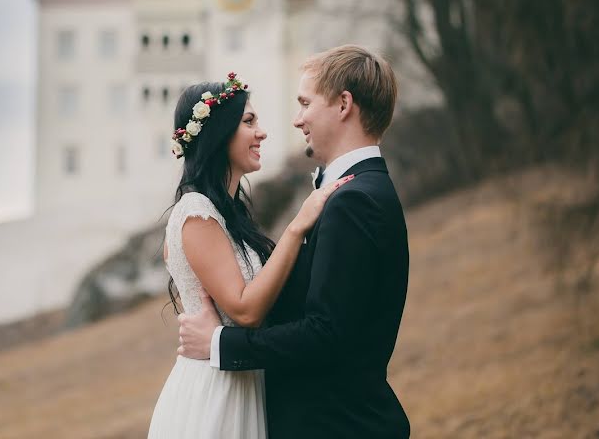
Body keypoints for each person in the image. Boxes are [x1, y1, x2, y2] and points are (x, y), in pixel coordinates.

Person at [178, 46, 411, 438]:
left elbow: (326, 333)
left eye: (305, 104)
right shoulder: (354, 191)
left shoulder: (354, 199)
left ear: (343, 105)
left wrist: (220, 344)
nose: (297, 119)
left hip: (338, 425)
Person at [147, 72, 354, 439]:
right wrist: (297, 226)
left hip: (243, 382)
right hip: (215, 393)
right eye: (249, 122)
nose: (262, 132)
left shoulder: (228, 212)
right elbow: (245, 309)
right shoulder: (196, 213)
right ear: (218, 134)